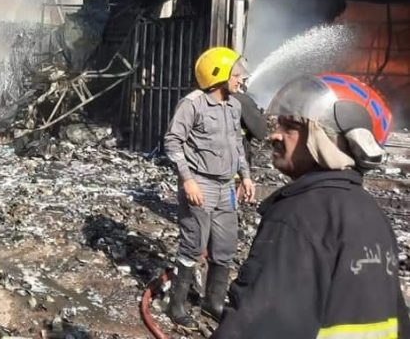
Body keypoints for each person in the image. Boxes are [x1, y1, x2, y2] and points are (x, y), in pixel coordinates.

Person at [213, 73, 410, 338]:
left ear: (326, 140)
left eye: (291, 127)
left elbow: (256, 326)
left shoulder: (298, 216)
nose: (274, 135)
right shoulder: (373, 215)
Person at [163, 46, 255, 328]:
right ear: (218, 76)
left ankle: (212, 302)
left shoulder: (235, 106)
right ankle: (176, 306)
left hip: (226, 186)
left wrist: (245, 176)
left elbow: (237, 144)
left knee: (225, 247)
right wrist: (187, 180)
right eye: (236, 75)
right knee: (193, 245)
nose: (240, 79)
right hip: (200, 184)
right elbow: (172, 142)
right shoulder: (192, 104)